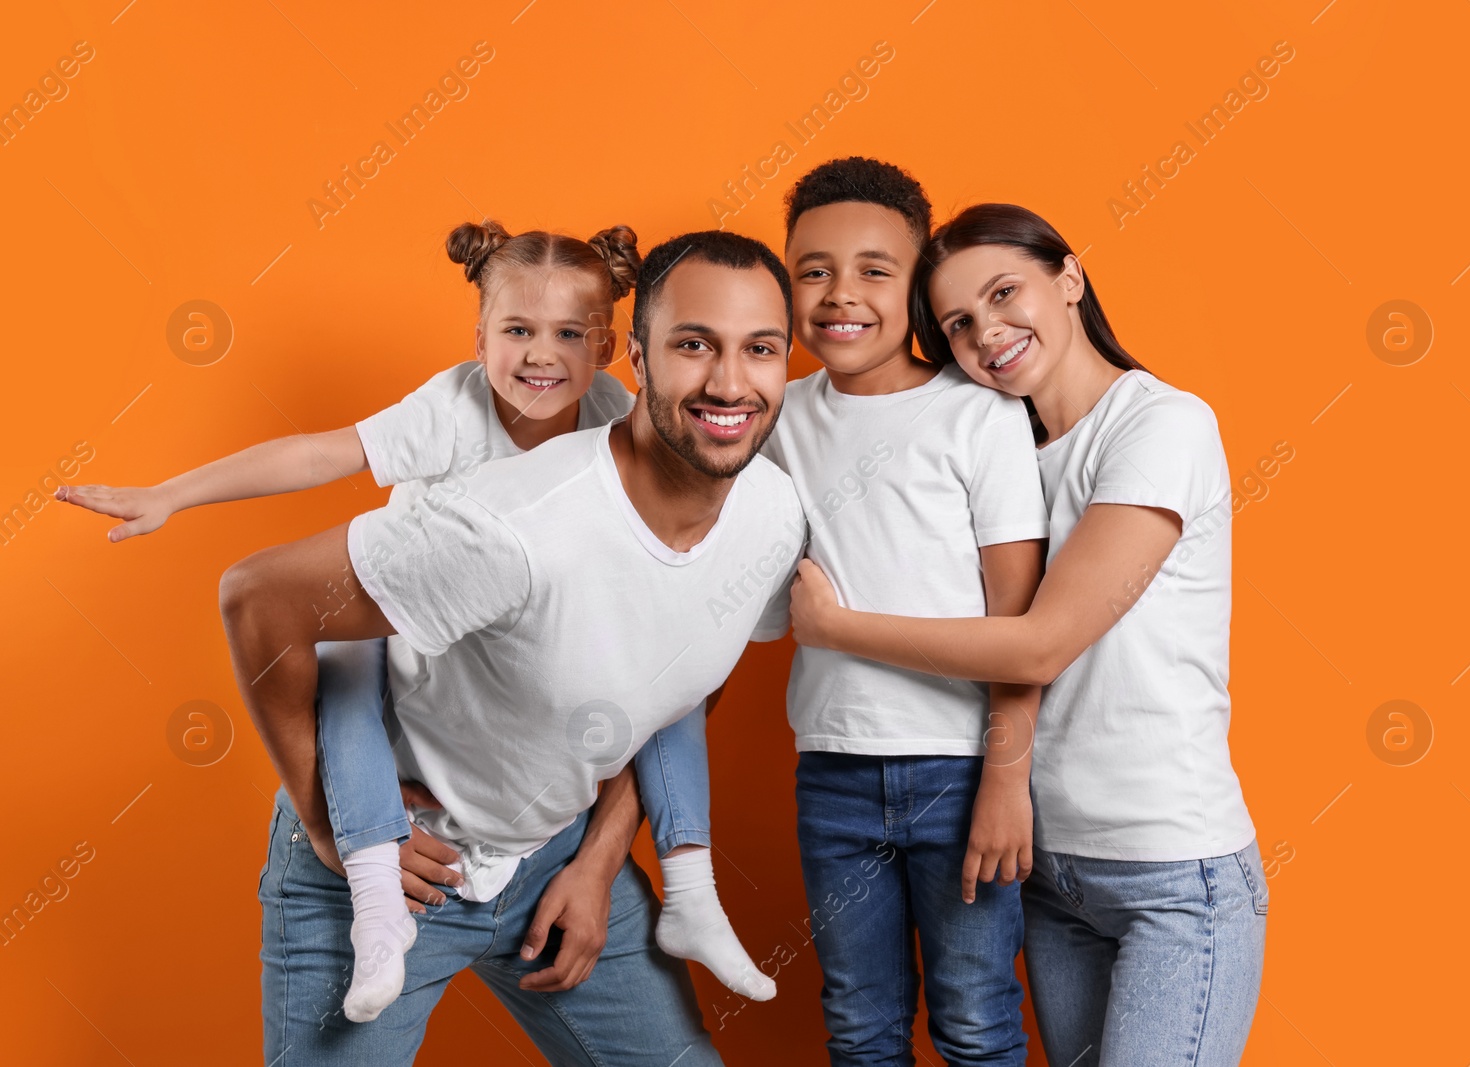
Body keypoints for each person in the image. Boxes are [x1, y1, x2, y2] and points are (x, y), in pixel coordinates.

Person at [221, 229, 801, 1064]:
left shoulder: (772, 513)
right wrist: (326, 820)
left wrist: (601, 860)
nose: (730, 382)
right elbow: (258, 598)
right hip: (394, 860)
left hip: (554, 855)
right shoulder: (512, 523)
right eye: (693, 345)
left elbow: (681, 687)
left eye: (761, 350)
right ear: (634, 357)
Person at [59, 220, 648, 1020]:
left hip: (516, 735)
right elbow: (316, 455)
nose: (541, 355)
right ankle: (372, 897)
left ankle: (683, 880)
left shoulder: (615, 416)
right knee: (342, 668)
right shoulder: (452, 409)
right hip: (404, 625)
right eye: (517, 331)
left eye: (568, 334)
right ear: (479, 340)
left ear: (608, 347)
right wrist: (173, 493)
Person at [789, 203, 1266, 1067]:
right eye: (961, 323)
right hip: (1051, 874)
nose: (988, 334)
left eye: (1006, 294)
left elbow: (1039, 644)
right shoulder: (1008, 443)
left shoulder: (1162, 425)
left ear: (1071, 279)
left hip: (1171, 870)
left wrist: (836, 625)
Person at [761, 159, 1048, 1065]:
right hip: (832, 772)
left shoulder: (980, 415)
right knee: (859, 1023)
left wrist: (1006, 781)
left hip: (963, 775)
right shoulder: (778, 413)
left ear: (918, 285)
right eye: (813, 271)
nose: (841, 294)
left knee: (975, 1017)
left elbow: (1021, 623)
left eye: (875, 270)